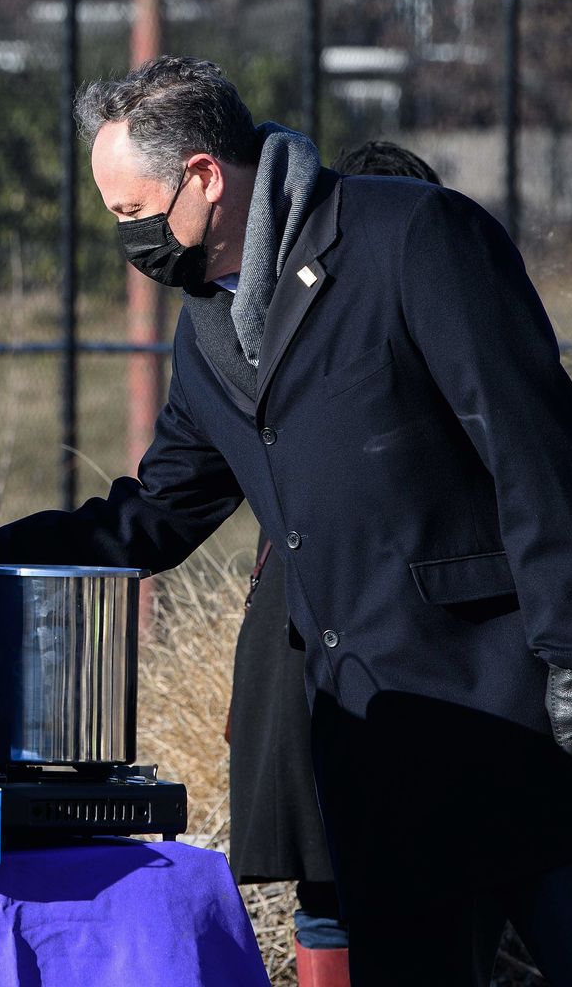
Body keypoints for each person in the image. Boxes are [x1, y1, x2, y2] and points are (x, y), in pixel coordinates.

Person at [0, 57, 572, 986]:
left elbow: (539, 454)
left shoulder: (412, 236)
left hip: (527, 714)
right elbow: (152, 519)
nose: (124, 236)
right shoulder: (207, 330)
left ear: (205, 177)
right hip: (383, 746)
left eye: (132, 212)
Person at [225, 141, 444, 987]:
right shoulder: (271, 330)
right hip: (311, 650)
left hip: (357, 654)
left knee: (351, 884)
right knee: (330, 883)